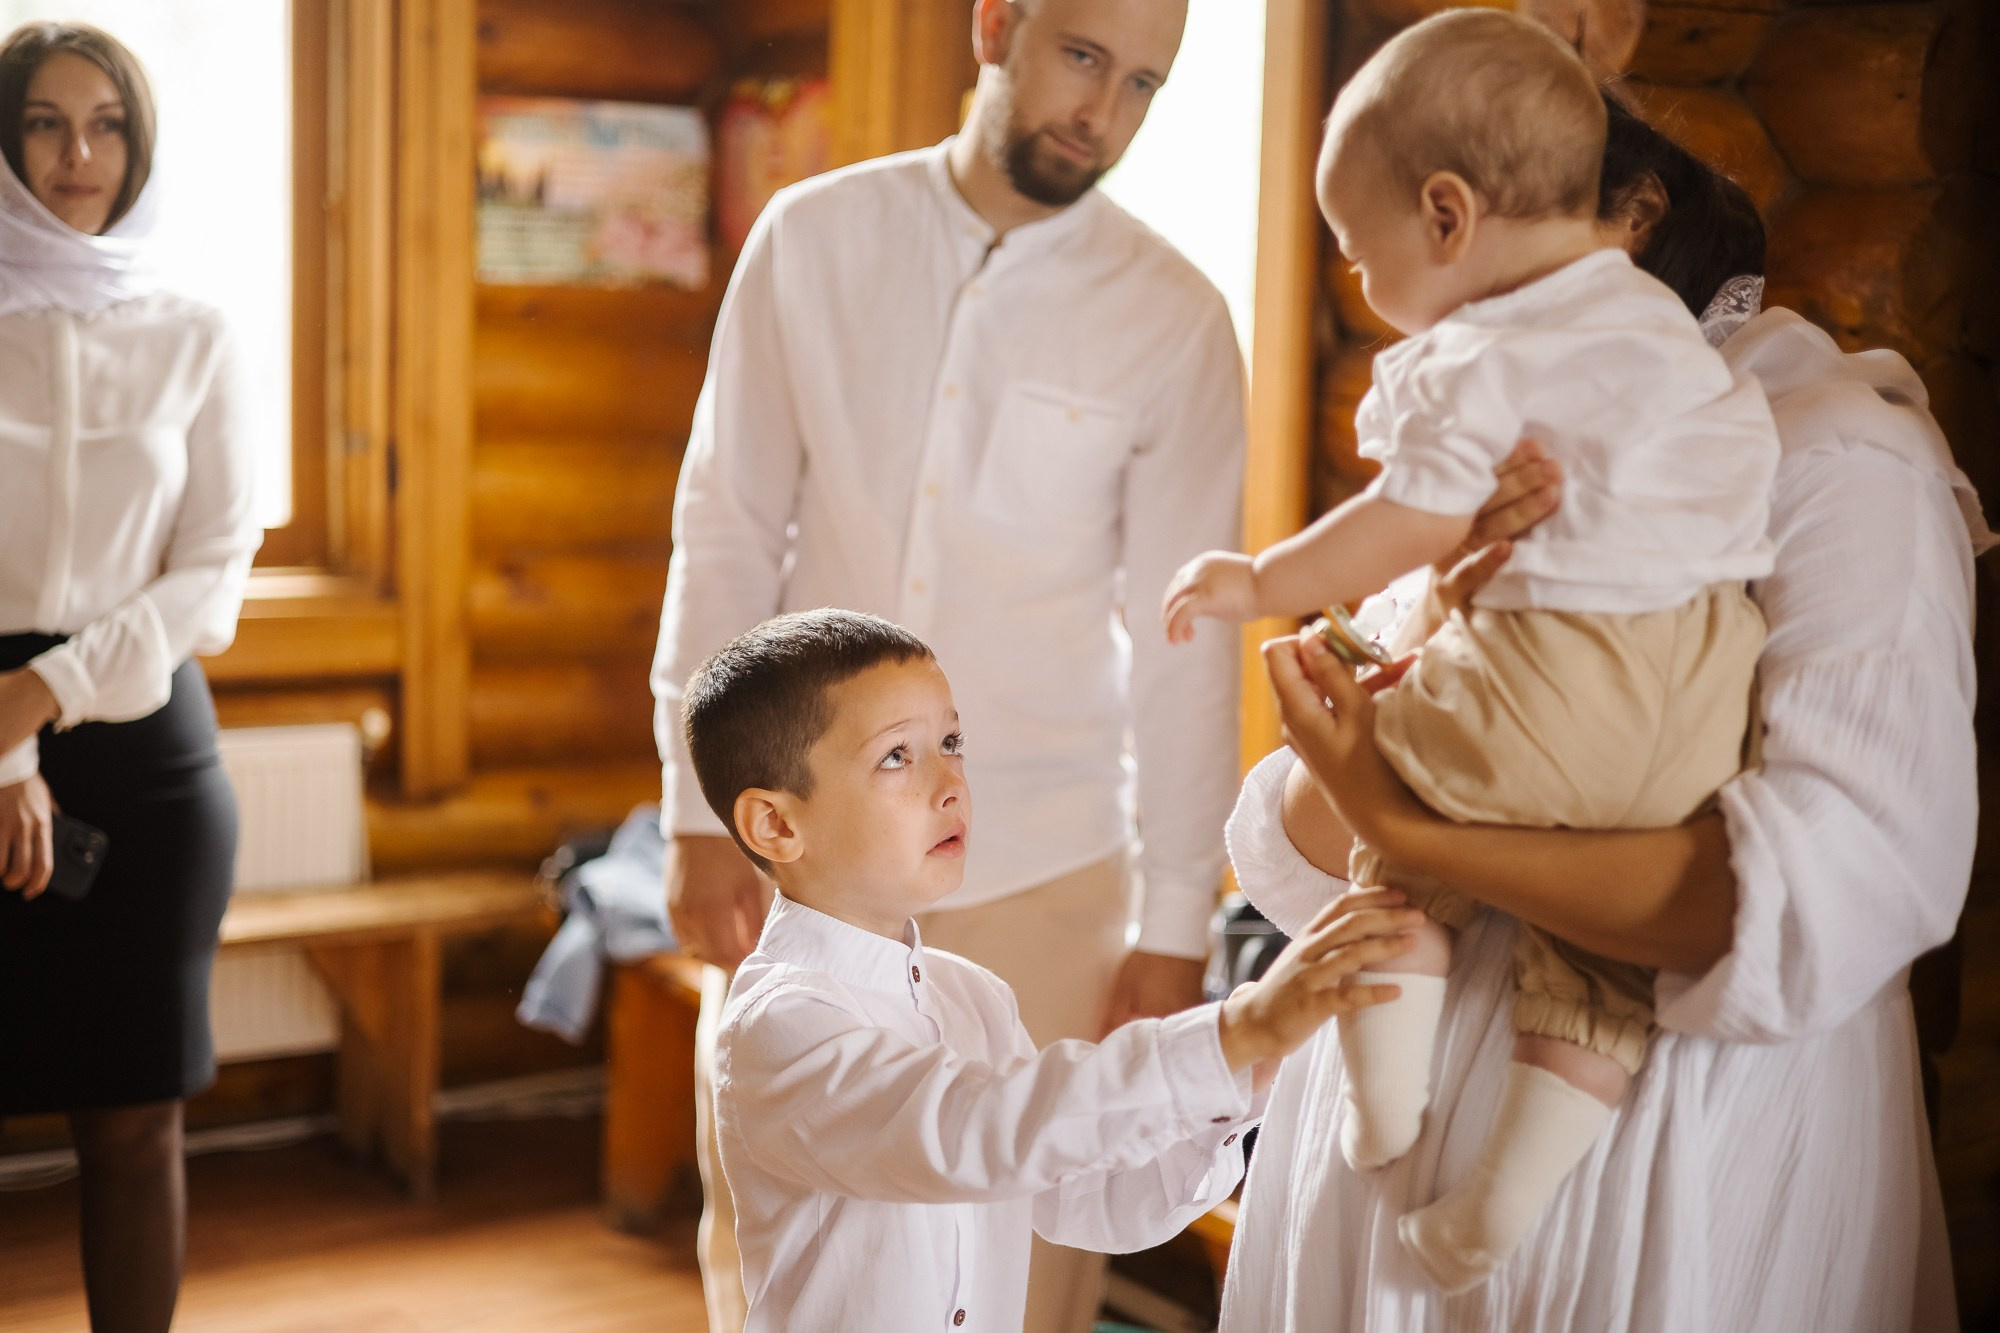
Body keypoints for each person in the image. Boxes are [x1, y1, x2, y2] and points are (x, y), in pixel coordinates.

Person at [1217, 92, 1982, 1330]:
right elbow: (1300, 844)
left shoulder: (1834, 456)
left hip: (1668, 1164)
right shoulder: (1495, 447)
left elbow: (1830, 892)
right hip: (1368, 1170)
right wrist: (1398, 685)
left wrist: (1411, 825)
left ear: (1631, 221)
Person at [649, 0, 1244, 1325]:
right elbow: (726, 528)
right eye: (1081, 57)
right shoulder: (811, 239)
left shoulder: (1177, 319)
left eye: (1143, 84)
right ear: (995, 24)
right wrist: (696, 810)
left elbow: (1186, 641)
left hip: (1044, 864)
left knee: (1031, 1256)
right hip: (807, 855)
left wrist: (1177, 922)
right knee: (771, 1256)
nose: (1103, 113)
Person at [1165, 10, 1779, 1289]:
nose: (1361, 286)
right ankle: (1502, 1196)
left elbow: (1408, 519)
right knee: (1596, 968)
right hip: (1698, 705)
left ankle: (1382, 1108)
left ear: (1445, 215)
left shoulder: (1480, 353)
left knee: (1395, 814)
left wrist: (1259, 579)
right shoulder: (1666, 326)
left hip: (1555, 677)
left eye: (1356, 254)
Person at [685, 608, 1415, 1332]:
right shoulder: (778, 1025)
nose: (950, 784)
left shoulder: (973, 996)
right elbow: (974, 1132)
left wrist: (1239, 1082)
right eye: (897, 756)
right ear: (776, 825)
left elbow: (1091, 1200)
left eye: (951, 742)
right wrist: (1230, 1035)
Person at [0, 22, 259, 1333]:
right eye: (45, 122)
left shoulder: (194, 330)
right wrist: (3, 742)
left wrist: (35, 698)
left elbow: (213, 573)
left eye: (106, 123)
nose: (78, 154)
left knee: (135, 1122)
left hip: (145, 751)